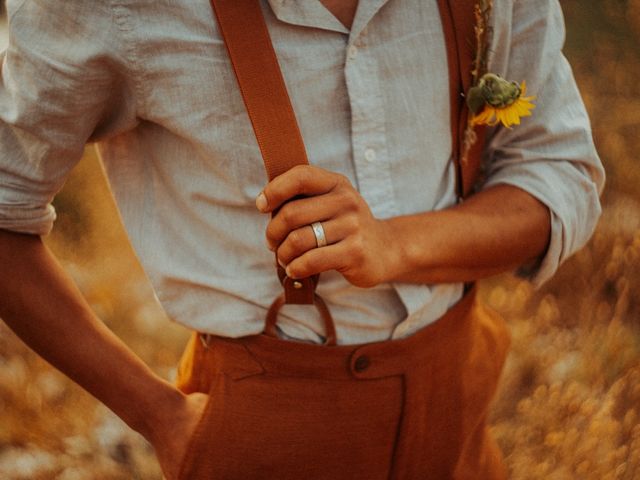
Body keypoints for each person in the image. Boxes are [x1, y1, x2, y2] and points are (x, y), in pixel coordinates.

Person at [0, 0, 603, 478]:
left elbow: (558, 168)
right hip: (268, 427)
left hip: (459, 409)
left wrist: (394, 245)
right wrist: (160, 418)